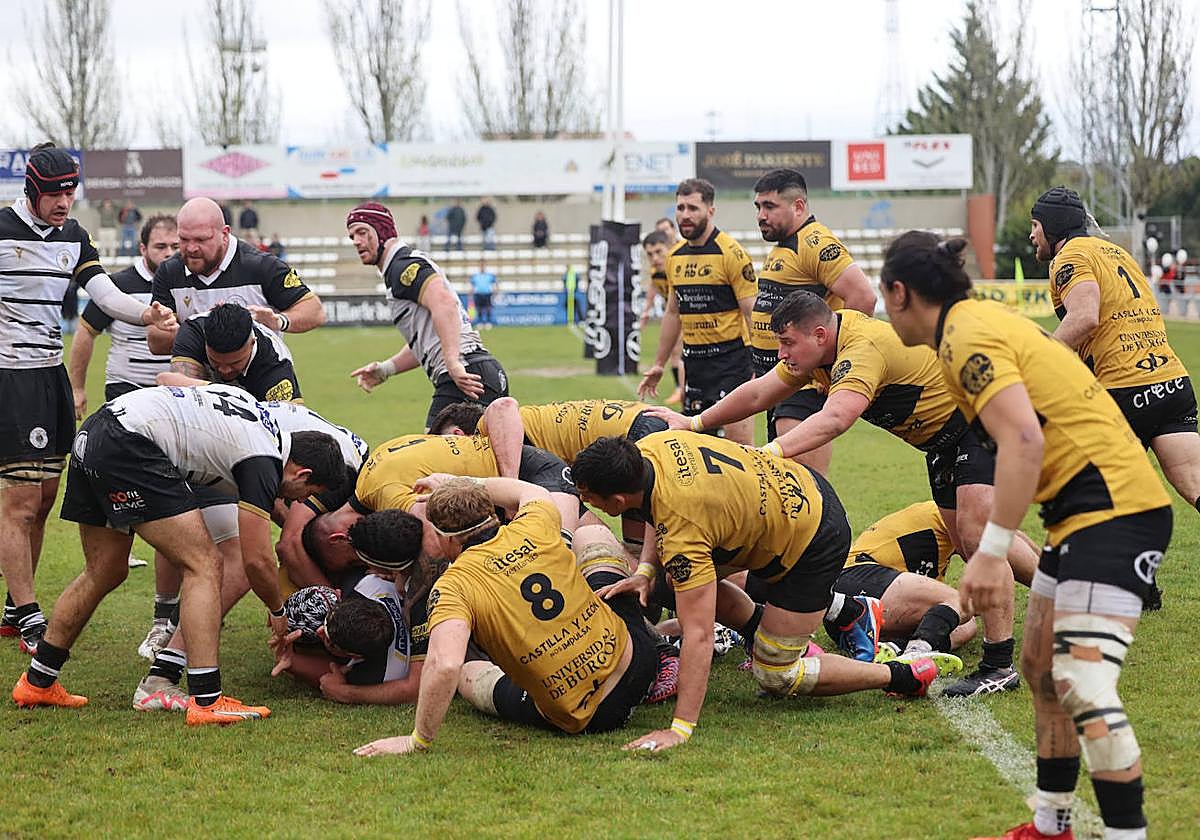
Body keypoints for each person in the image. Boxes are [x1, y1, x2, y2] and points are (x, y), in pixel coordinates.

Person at [879, 230, 1173, 840]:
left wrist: (991, 552)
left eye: (884, 296)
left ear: (901, 292)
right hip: (1082, 512)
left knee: (1082, 683)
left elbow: (1022, 438)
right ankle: (1052, 824)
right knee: (1041, 668)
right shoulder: (969, 326)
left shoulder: (964, 336)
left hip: (1115, 509)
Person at [646, 289, 1037, 695]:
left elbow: (836, 417)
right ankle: (1058, 590)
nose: (781, 354)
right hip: (945, 441)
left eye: (787, 343)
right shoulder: (820, 351)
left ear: (819, 334)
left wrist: (768, 454)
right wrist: (694, 423)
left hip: (983, 418)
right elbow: (760, 391)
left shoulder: (860, 348)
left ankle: (999, 665)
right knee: (977, 543)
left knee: (978, 539)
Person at [571, 433, 946, 753]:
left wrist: (679, 728)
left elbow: (698, 633)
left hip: (814, 541)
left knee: (777, 673)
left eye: (589, 497)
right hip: (799, 487)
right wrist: (645, 572)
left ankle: (900, 674)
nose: (586, 503)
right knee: (672, 582)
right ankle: (773, 626)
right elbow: (658, 510)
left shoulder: (684, 525)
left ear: (617, 502)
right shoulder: (650, 448)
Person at [11, 385, 345, 725]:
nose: (297, 500)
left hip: (98, 430)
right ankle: (207, 700)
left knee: (105, 570)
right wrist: (278, 610)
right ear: (302, 473)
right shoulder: (264, 460)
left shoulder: (258, 424)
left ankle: (38, 682)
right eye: (306, 493)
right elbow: (256, 560)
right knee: (205, 564)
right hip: (128, 443)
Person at [0, 145, 176, 656]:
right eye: (54, 194)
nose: (64, 202)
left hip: (50, 376)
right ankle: (30, 616)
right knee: (19, 503)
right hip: (11, 378)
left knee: (45, 498)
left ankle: (12, 607)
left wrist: (148, 314)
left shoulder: (74, 236)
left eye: (70, 193)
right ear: (32, 189)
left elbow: (106, 296)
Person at [352, 475, 660, 756]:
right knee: (592, 532)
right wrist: (459, 482)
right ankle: (664, 647)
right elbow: (527, 490)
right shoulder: (534, 522)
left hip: (595, 715)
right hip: (640, 663)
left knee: (468, 675)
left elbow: (445, 665)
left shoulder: (452, 586)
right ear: (491, 513)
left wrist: (418, 739)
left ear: (446, 538)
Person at [133, 387, 369, 712]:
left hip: (163, 434)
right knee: (233, 565)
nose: (302, 500)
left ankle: (166, 637)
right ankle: (167, 673)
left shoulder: (325, 461)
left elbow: (282, 506)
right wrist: (326, 607)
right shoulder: (344, 474)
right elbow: (288, 544)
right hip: (183, 452)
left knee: (109, 571)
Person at [1036, 186, 1200, 611]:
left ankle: (1125, 588)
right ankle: (1141, 588)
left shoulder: (1069, 257)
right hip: (1171, 381)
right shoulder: (1116, 252)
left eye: (1035, 226)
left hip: (1123, 391)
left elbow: (1085, 316)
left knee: (1091, 494)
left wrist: (1039, 358)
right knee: (1195, 485)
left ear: (1052, 227)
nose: (1032, 236)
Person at [68, 212, 179, 607]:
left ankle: (172, 546)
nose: (169, 253)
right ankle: (118, 545)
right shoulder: (117, 285)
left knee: (171, 474)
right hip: (126, 391)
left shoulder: (184, 282)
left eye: (175, 246)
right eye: (161, 246)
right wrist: (77, 387)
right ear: (143, 247)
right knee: (121, 473)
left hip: (172, 397)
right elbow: (85, 333)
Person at [749, 168, 877, 474]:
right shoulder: (785, 245)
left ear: (798, 206)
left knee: (806, 482)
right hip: (779, 378)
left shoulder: (815, 242)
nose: (761, 216)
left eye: (770, 206)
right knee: (785, 482)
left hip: (803, 382)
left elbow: (863, 296)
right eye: (758, 207)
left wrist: (834, 367)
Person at [345, 202, 509, 429]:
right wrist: (386, 369)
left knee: (435, 451)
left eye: (362, 232)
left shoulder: (402, 267)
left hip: (464, 376)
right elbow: (426, 342)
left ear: (382, 232)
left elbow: (444, 303)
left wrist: (452, 361)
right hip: (480, 371)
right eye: (352, 236)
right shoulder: (402, 265)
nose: (356, 241)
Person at [638, 179, 757, 445]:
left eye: (693, 208)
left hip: (732, 362)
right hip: (695, 365)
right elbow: (673, 313)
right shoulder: (674, 257)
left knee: (739, 447)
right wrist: (659, 363)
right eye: (680, 208)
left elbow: (752, 312)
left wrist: (762, 364)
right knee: (697, 447)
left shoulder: (732, 253)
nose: (685, 215)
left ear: (710, 211)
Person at [147, 197, 325, 355]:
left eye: (201, 240)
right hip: (198, 379)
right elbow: (156, 344)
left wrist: (279, 321)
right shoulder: (169, 272)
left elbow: (314, 311)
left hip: (259, 376)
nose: (191, 248)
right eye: (184, 239)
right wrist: (194, 332)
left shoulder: (262, 266)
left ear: (224, 234)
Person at [829, 502, 977, 655]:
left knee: (965, 624)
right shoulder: (952, 512)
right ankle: (915, 652)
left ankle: (894, 648)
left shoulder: (947, 518)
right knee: (961, 602)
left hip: (849, 616)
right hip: (854, 581)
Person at [156, 302, 302, 402]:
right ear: (205, 342)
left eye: (235, 363)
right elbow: (177, 392)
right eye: (216, 361)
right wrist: (228, 393)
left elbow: (292, 421)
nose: (224, 370)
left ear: (252, 344)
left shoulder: (275, 363)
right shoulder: (193, 332)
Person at [639, 230, 684, 404]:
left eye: (659, 252)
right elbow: (653, 288)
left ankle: (682, 390)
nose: (655, 258)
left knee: (680, 351)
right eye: (650, 255)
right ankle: (681, 390)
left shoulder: (680, 267)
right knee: (676, 351)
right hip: (675, 315)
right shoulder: (656, 272)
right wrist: (646, 311)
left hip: (691, 318)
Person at [469, 260, 498, 329]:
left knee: (488, 308)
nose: (482, 267)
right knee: (479, 309)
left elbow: (494, 285)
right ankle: (480, 322)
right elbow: (472, 286)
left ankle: (488, 322)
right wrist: (470, 294)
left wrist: (495, 292)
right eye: (481, 265)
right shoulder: (475, 276)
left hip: (487, 294)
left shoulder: (490, 276)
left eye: (483, 265)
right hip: (478, 294)